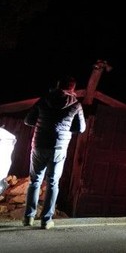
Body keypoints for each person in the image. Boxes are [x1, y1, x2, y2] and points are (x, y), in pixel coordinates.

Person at [23, 75, 86, 229]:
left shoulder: (43, 100)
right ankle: (46, 220)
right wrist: (66, 126)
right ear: (72, 88)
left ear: (58, 85)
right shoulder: (76, 104)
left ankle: (28, 218)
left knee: (35, 181)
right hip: (59, 147)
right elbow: (81, 128)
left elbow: (28, 120)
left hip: (39, 144)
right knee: (52, 182)